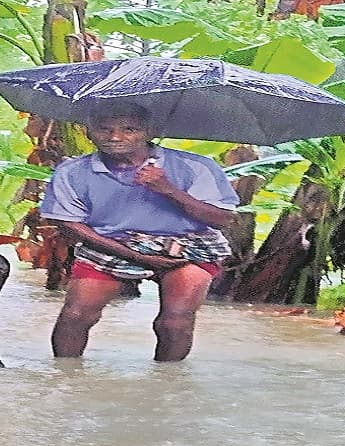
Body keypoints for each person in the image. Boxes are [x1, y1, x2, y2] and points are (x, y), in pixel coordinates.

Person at [39, 100, 239, 361]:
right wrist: (138, 257)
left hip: (187, 245)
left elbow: (223, 219)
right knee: (75, 315)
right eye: (104, 129)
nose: (115, 137)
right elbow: (70, 225)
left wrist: (168, 189)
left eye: (129, 129)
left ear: (148, 131)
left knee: (174, 323)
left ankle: (166, 386)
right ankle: (64, 378)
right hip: (111, 243)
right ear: (89, 132)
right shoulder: (72, 172)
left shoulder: (195, 166)